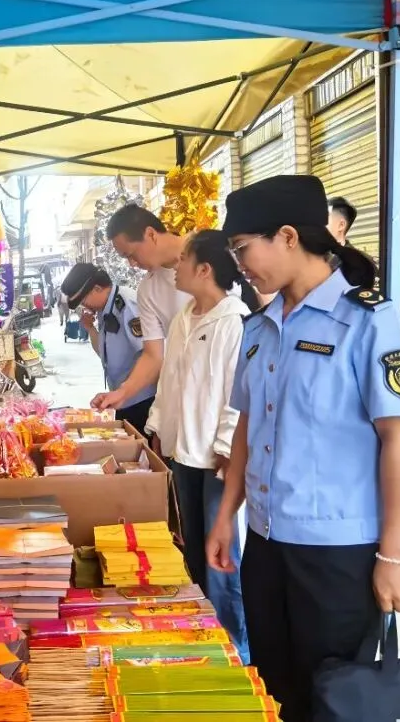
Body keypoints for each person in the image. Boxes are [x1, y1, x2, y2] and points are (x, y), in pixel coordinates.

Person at [207, 175, 400, 722]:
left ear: (286, 237)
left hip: (338, 555)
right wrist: (226, 515)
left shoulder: (370, 321)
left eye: (241, 248)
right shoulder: (259, 329)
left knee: (336, 700)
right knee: (275, 688)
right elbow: (248, 427)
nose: (238, 265)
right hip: (266, 543)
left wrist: (396, 556)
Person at [145, 229, 254, 664]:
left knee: (220, 553)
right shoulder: (183, 318)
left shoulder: (235, 321)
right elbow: (168, 380)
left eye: (185, 259)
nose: (177, 266)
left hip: (215, 457)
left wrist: (228, 445)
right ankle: (201, 630)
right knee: (190, 544)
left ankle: (236, 646)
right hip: (181, 450)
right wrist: (157, 427)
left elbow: (237, 395)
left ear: (205, 269)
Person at [93, 206, 192, 412]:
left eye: (131, 254)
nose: (132, 264)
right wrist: (123, 392)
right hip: (185, 395)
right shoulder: (148, 289)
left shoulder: (212, 253)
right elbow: (153, 355)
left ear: (151, 234)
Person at [60, 263, 155, 437]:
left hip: (140, 400)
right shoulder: (105, 308)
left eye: (84, 300)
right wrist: (90, 329)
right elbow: (104, 353)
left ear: (97, 288)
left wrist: (124, 391)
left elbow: (151, 355)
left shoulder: (127, 305)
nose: (85, 305)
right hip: (122, 398)